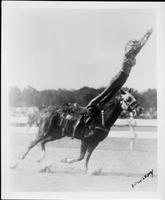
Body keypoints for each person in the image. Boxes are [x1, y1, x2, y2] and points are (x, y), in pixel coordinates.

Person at [71, 29, 153, 139]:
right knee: (103, 95)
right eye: (133, 43)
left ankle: (93, 111)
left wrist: (147, 35)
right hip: (119, 76)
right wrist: (143, 37)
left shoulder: (133, 53)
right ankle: (86, 108)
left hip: (123, 78)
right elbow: (137, 46)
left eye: (135, 44)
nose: (135, 45)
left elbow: (140, 46)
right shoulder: (128, 53)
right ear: (130, 45)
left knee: (108, 97)